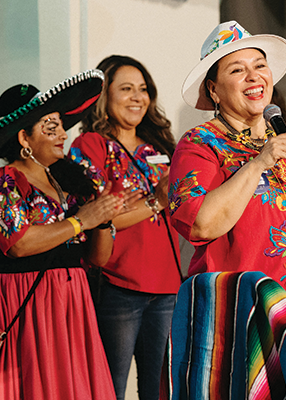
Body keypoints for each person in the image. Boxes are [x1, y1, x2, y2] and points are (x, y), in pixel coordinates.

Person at [0, 70, 136, 399]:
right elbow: (19, 244)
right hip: (21, 301)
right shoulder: (2, 181)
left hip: (72, 301)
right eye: (49, 126)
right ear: (24, 139)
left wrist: (105, 215)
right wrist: (81, 221)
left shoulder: (72, 179)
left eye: (60, 125)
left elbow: (97, 257)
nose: (62, 134)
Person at [169, 21, 286, 340]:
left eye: (260, 65)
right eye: (237, 70)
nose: (253, 76)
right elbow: (200, 225)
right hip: (248, 316)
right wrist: (261, 162)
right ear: (214, 90)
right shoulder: (200, 144)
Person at [69, 55, 182, 400]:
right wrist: (155, 201)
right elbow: (96, 218)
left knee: (160, 391)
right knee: (109, 389)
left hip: (167, 287)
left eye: (143, 90)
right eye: (126, 89)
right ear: (104, 95)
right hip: (117, 287)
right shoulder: (89, 146)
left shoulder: (161, 147)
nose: (137, 98)